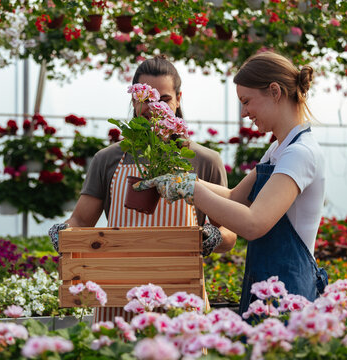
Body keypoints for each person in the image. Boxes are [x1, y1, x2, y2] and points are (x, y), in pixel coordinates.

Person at [134, 52, 328, 315]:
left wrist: (193, 189)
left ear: (274, 92)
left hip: (290, 288)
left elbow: (253, 223)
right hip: (268, 283)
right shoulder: (278, 149)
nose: (245, 112)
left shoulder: (300, 153)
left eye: (247, 101)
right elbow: (236, 196)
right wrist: (182, 180)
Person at [49, 55, 237, 321]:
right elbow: (81, 219)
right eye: (146, 99)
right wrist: (64, 233)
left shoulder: (204, 161)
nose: (154, 106)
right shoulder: (108, 159)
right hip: (117, 297)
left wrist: (212, 238)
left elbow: (228, 233)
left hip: (182, 300)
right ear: (133, 99)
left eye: (164, 99)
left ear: (178, 99)